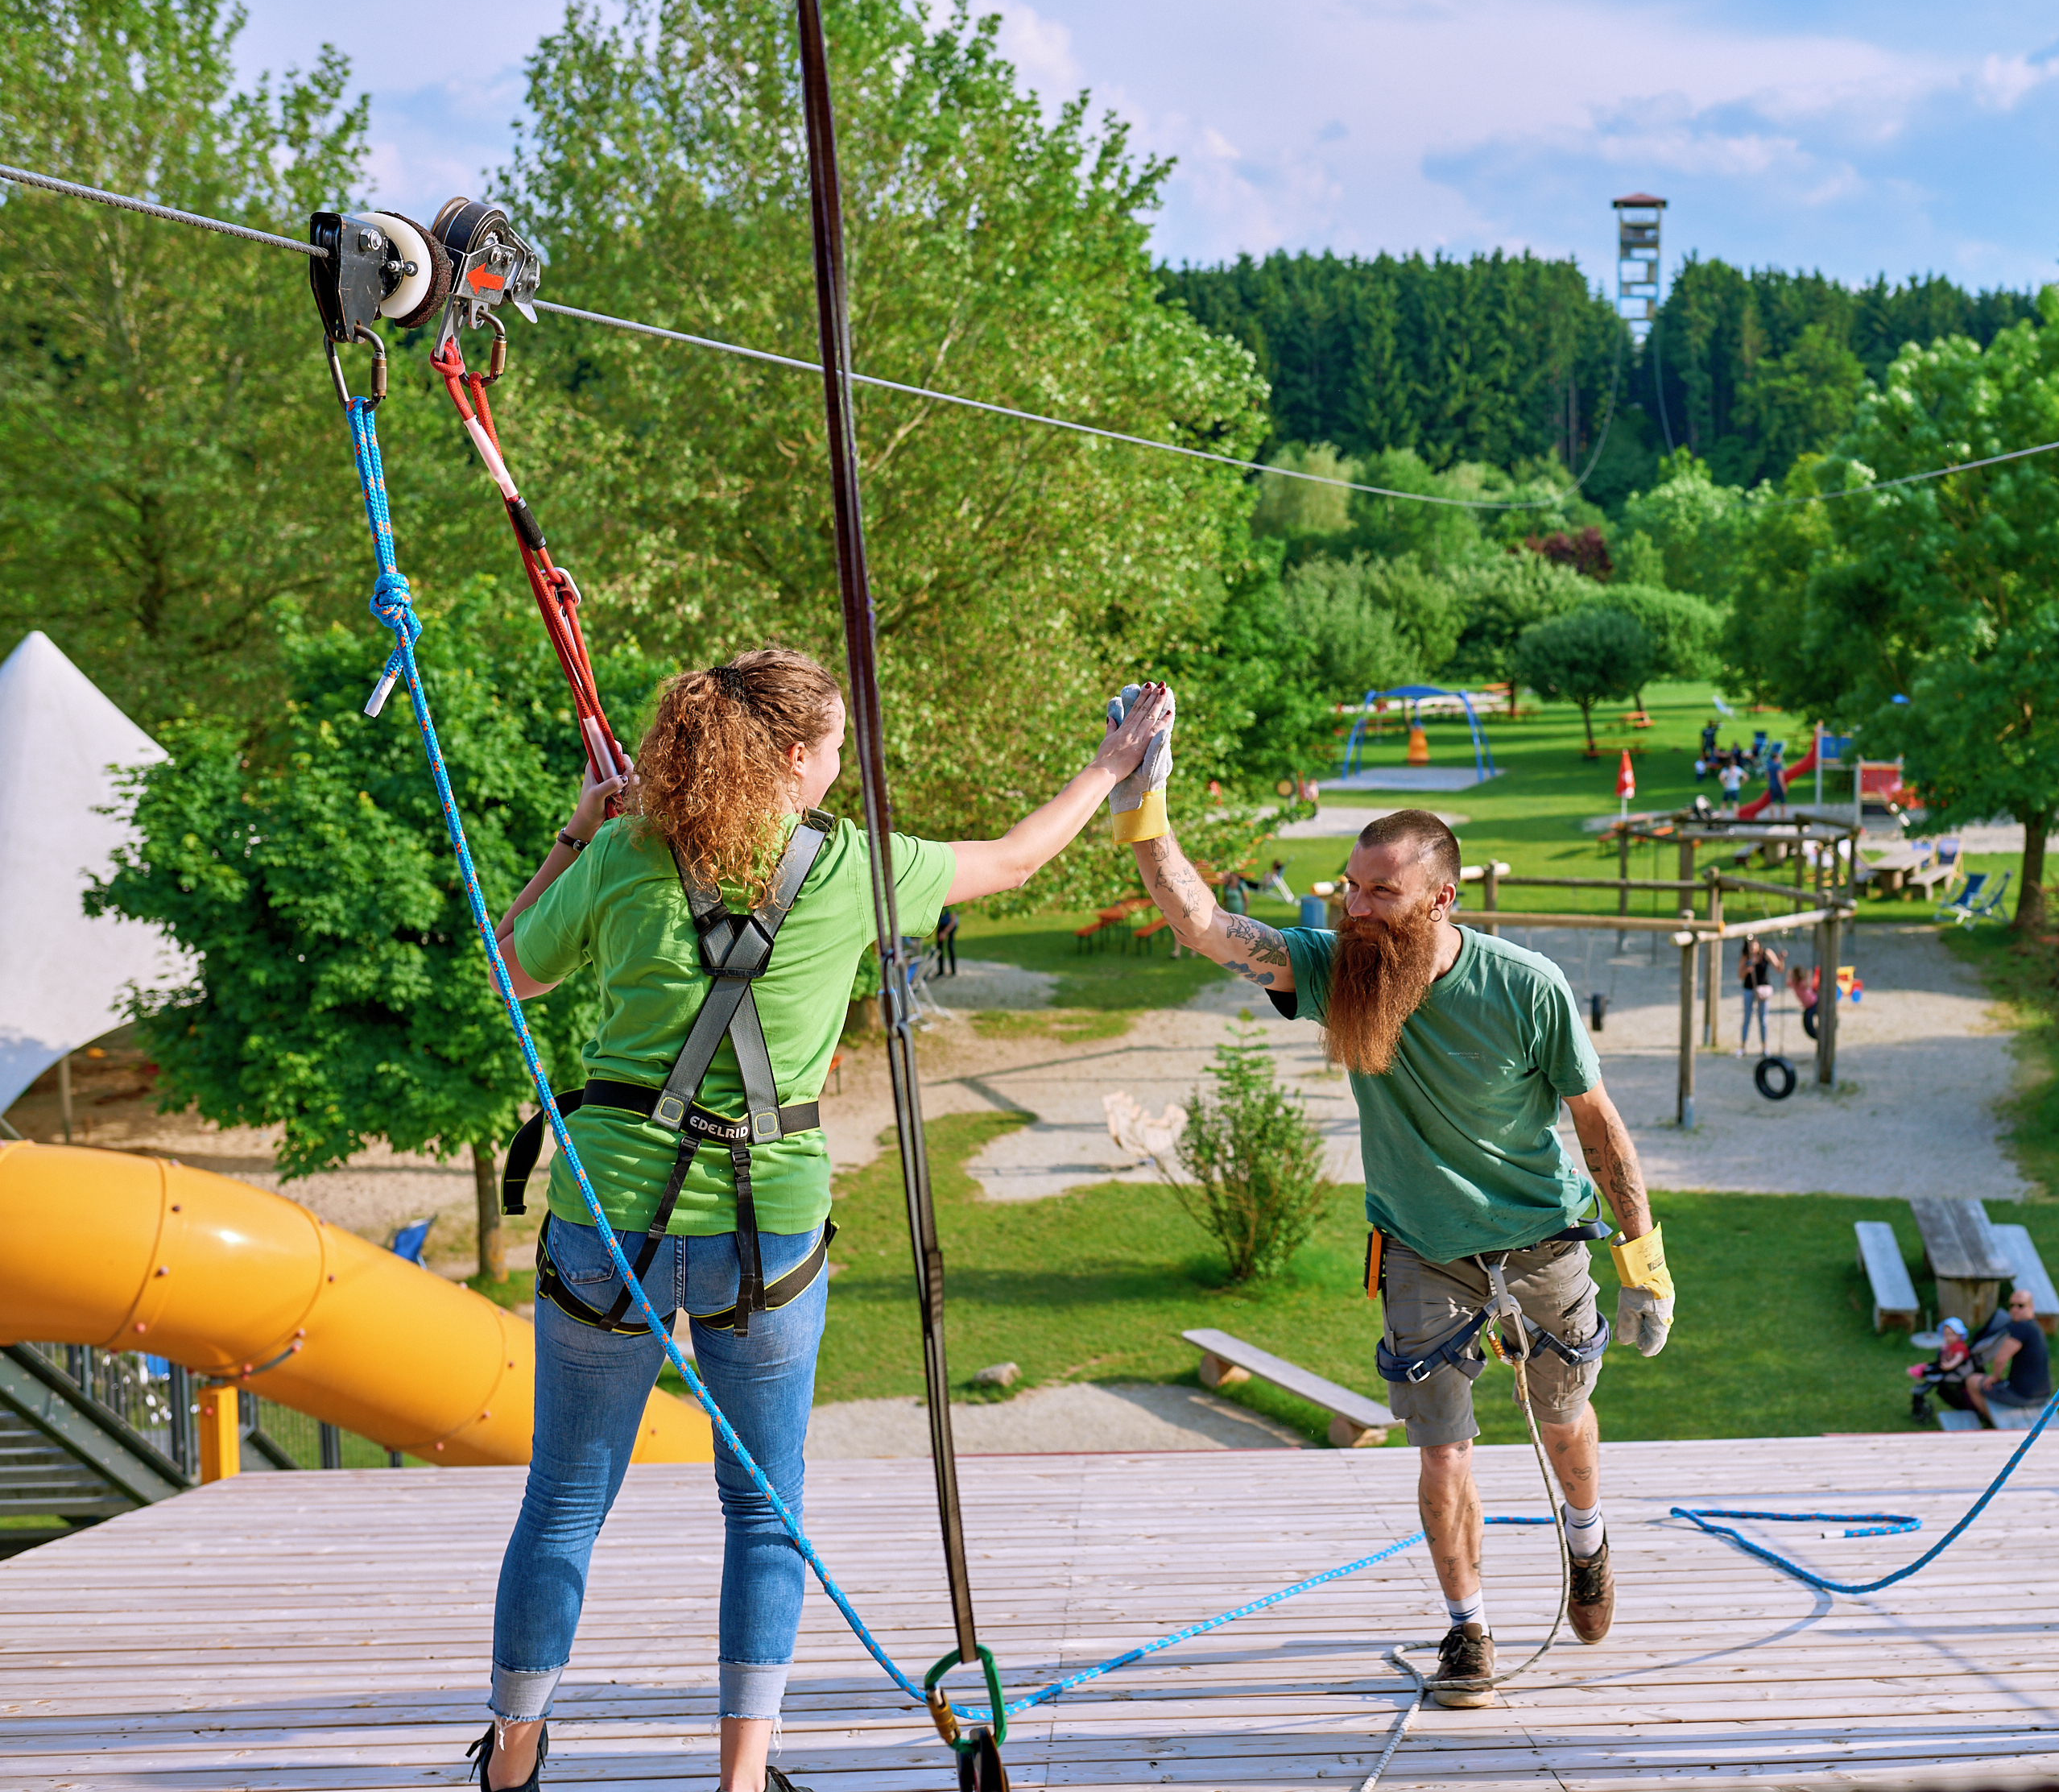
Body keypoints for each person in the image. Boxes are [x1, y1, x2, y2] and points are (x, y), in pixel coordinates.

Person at [474, 652, 1171, 1792]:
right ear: (794, 763)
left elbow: (510, 970)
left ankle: (511, 1756)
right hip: (767, 1230)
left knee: (563, 1502)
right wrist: (1112, 762)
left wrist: (573, 832)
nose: (846, 766)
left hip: (609, 1218)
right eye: (838, 746)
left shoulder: (620, 856)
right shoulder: (852, 868)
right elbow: (1019, 857)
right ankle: (742, 1779)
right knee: (762, 1508)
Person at [1130, 784, 1668, 1711]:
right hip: (1421, 1249)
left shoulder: (1524, 986)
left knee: (1561, 1415)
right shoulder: (1341, 969)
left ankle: (1586, 1538)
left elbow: (1597, 1123)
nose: (1356, 906)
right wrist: (1145, 804)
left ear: (1440, 897)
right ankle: (1468, 1629)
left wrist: (1642, 1259)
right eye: (1350, 887)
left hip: (1542, 1237)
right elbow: (1203, 924)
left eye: (1380, 891)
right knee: (1441, 1447)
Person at [1963, 1289, 2052, 1423]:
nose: (2015, 1309)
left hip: (2023, 1395)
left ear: (2031, 1307)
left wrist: (1995, 1377)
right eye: (2012, 1305)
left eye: (2020, 1306)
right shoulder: (2035, 1327)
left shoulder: (2021, 1328)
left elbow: (2001, 1358)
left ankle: (1993, 1421)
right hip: (2043, 1394)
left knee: (1972, 1381)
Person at [1904, 1315, 1974, 1419]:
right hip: (1942, 1367)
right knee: (1928, 1368)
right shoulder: (1949, 1345)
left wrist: (1950, 1365)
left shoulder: (1960, 1346)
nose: (1949, 1337)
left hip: (1951, 1370)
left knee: (1930, 1375)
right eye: (1946, 1335)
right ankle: (1919, 1372)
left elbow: (1959, 1358)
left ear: (1960, 1335)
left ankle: (1919, 1397)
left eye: (1952, 1334)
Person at [1737, 938, 1784, 1056]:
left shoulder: (1766, 954)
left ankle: (1764, 1047)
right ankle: (1742, 1047)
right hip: (1749, 989)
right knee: (1747, 1018)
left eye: (1754, 944)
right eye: (1750, 945)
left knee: (1763, 1019)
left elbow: (1779, 969)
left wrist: (1782, 959)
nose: (1753, 947)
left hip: (1763, 989)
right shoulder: (1746, 957)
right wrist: (1748, 970)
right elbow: (1740, 975)